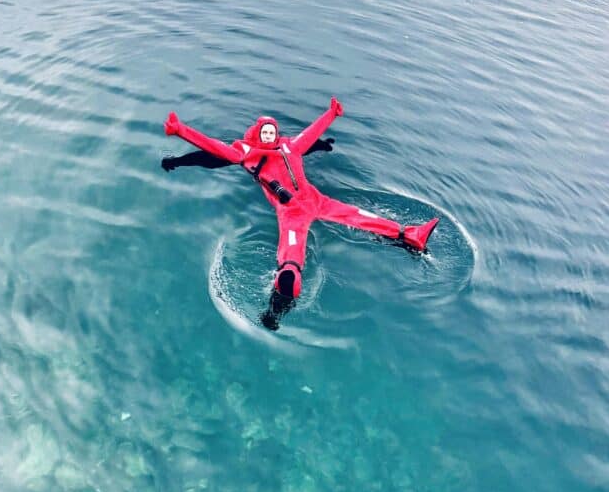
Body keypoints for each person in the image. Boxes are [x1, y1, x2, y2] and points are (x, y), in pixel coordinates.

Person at [162, 98, 439, 329]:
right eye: (265, 132)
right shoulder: (246, 152)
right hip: (291, 211)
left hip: (315, 199)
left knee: (360, 215)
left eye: (272, 131)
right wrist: (181, 132)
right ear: (257, 133)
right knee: (292, 258)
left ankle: (409, 235)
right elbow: (213, 149)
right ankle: (275, 308)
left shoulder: (289, 146)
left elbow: (311, 134)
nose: (269, 135)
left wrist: (331, 114)